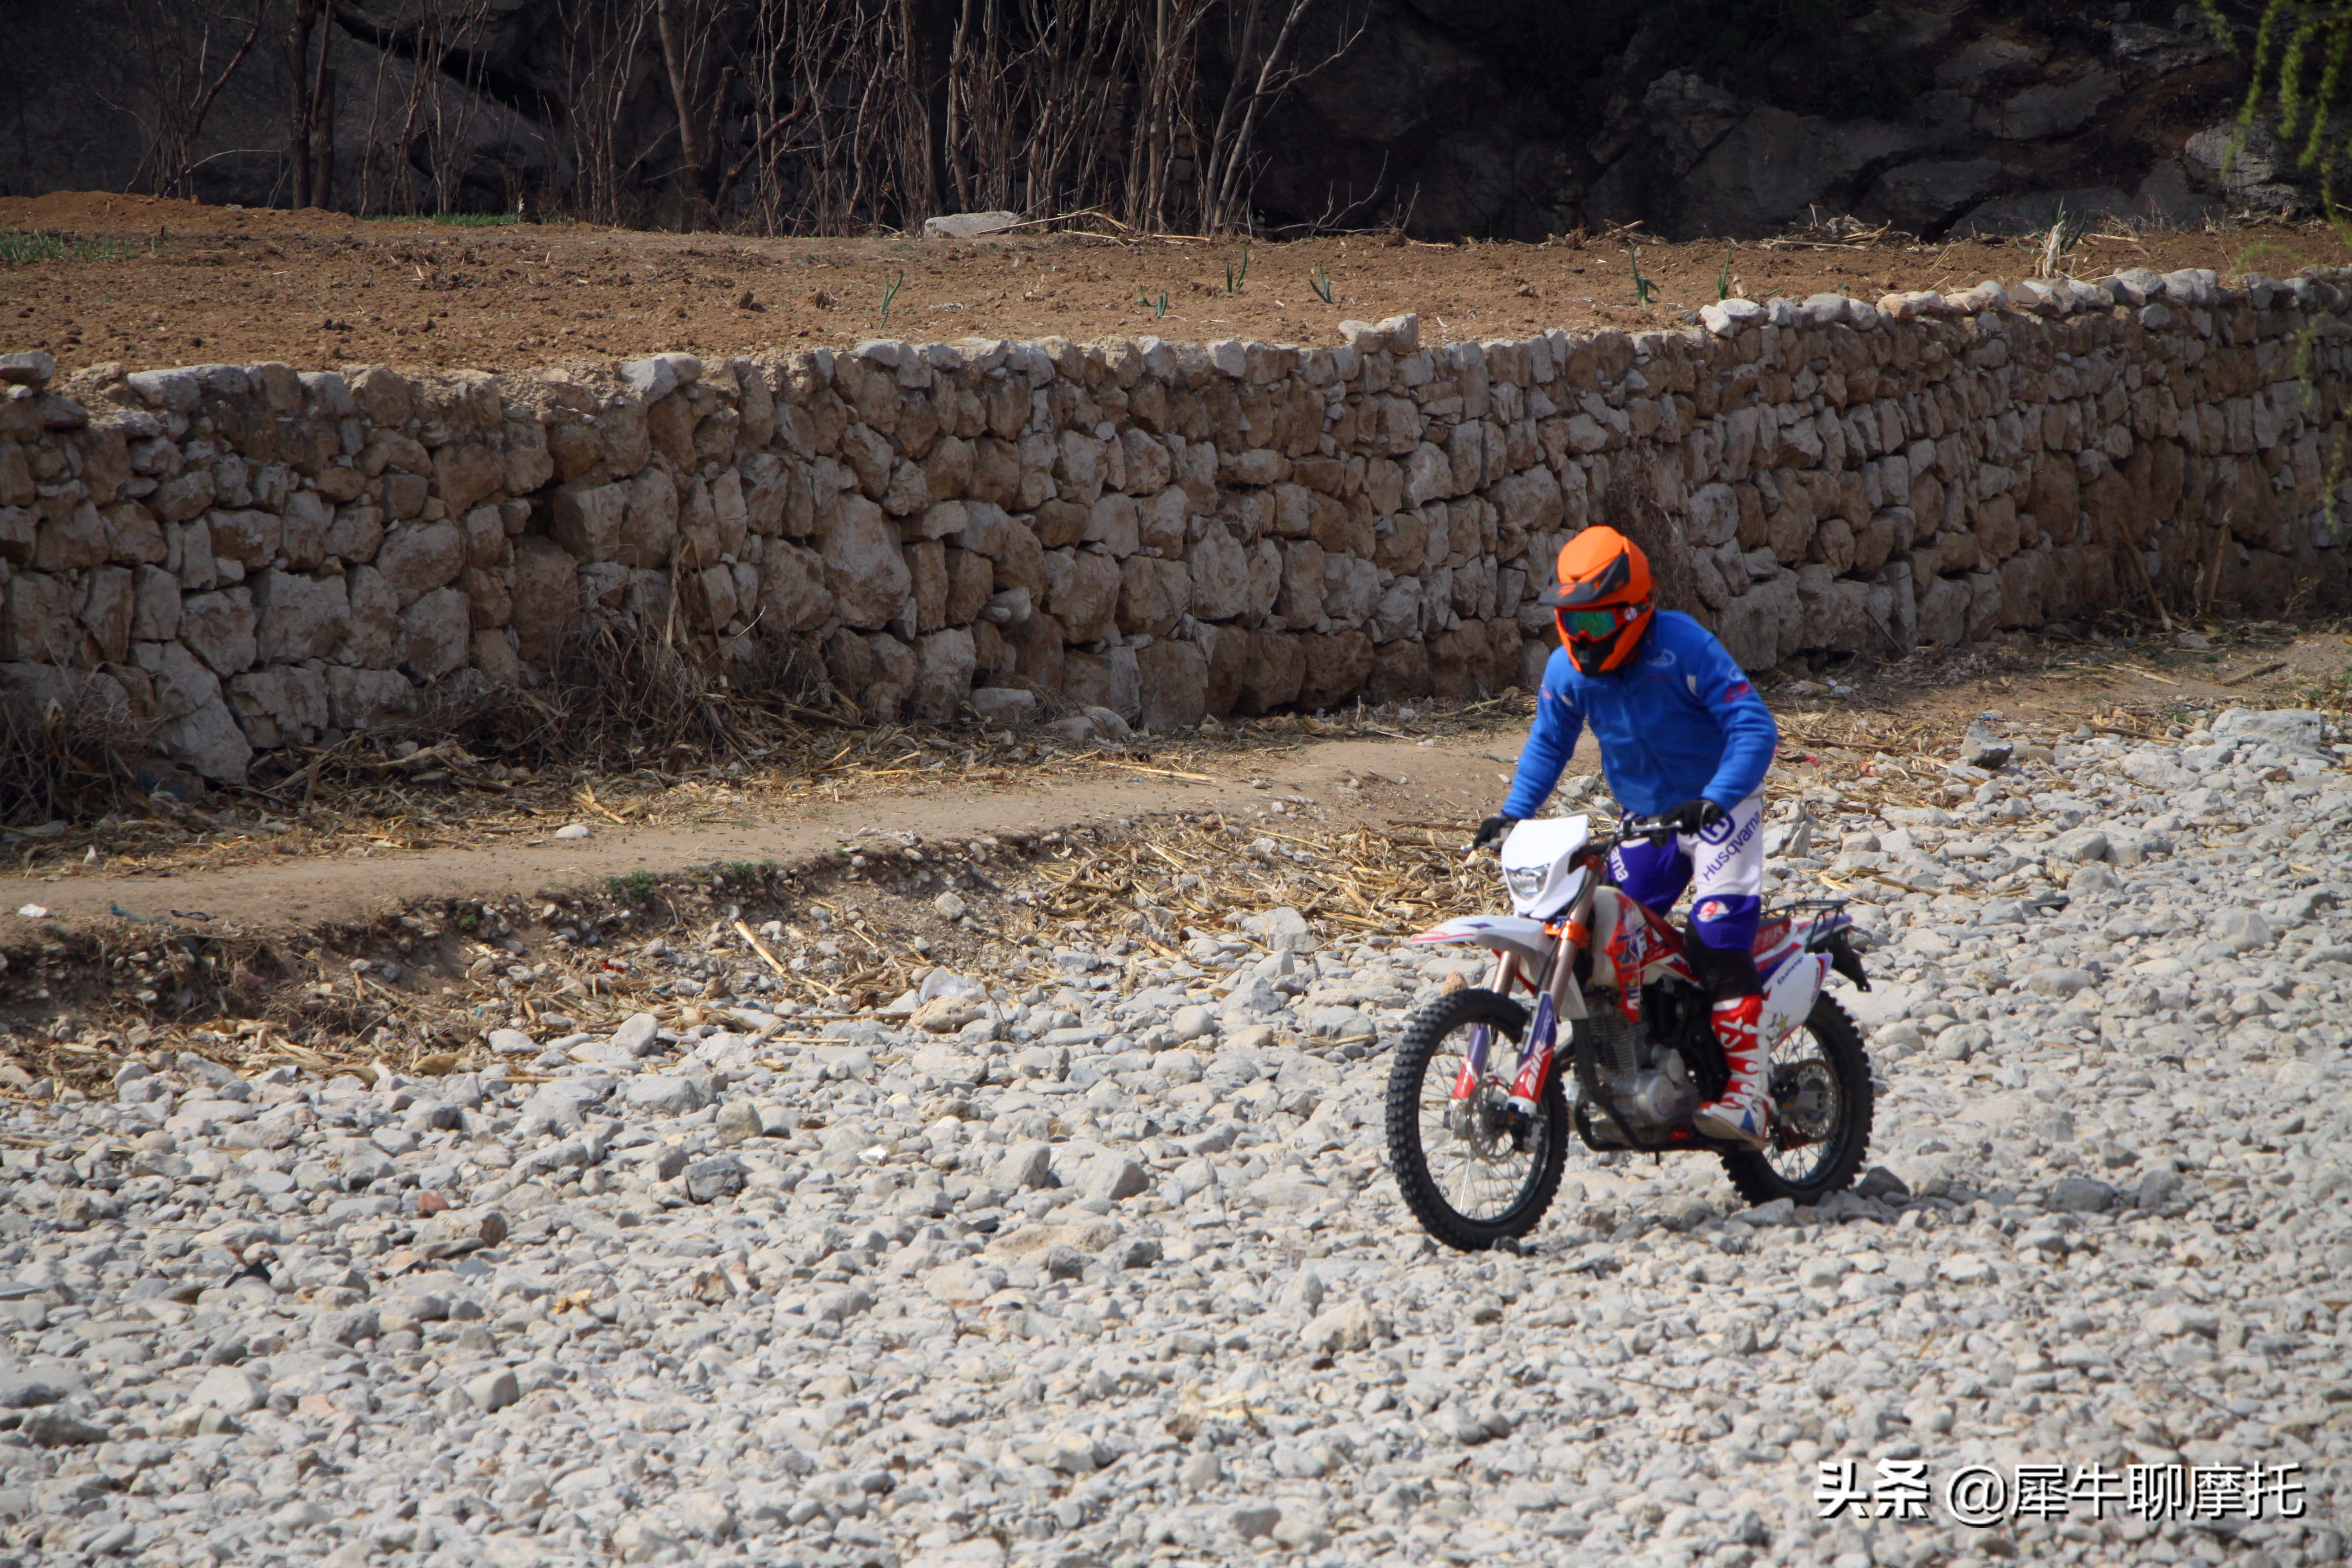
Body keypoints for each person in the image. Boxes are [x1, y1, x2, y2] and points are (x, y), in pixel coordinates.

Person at [1472, 525, 1780, 1144]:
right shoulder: (1567, 671)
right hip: (1647, 824)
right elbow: (1548, 745)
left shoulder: (1685, 646)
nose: (1581, 640)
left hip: (1719, 812)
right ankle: (1637, 1057)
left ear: (1637, 611)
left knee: (1717, 930)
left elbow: (1754, 726)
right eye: (1571, 624)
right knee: (1604, 940)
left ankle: (1751, 1092)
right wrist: (1513, 812)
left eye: (1595, 625)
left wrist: (1716, 798)